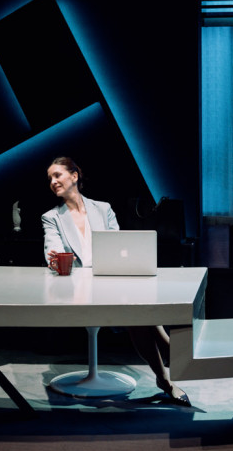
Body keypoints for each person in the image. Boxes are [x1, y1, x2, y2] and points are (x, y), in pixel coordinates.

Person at [41, 156, 191, 405]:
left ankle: (165, 373)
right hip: (77, 288)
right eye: (50, 179)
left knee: (136, 305)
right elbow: (53, 250)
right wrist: (56, 257)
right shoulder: (52, 217)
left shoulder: (103, 209)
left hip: (109, 281)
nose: (53, 181)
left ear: (74, 176)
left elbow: (117, 246)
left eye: (57, 175)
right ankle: (168, 356)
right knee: (136, 309)